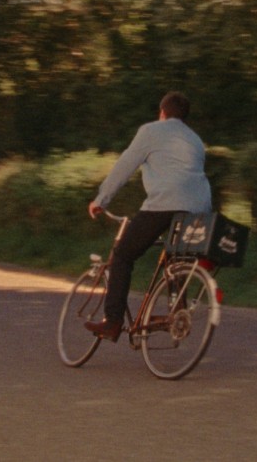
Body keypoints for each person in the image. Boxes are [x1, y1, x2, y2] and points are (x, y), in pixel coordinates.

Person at [85, 91, 213, 341]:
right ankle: (177, 315)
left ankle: (112, 322)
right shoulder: (196, 141)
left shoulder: (151, 131)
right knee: (176, 259)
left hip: (164, 203)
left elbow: (125, 165)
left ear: (162, 113)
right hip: (199, 210)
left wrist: (101, 199)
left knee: (122, 255)